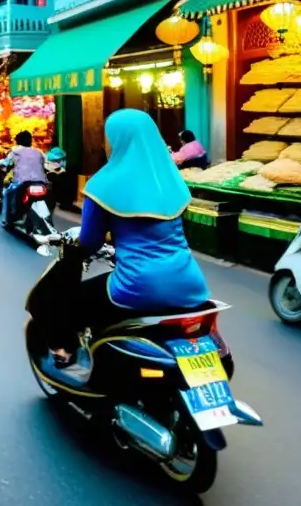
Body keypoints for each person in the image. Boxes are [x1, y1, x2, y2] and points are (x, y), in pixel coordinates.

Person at [28, 109, 210, 373]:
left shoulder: (102, 184)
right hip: (189, 282)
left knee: (63, 299)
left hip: (136, 287)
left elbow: (89, 242)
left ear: (115, 141)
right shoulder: (172, 180)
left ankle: (65, 352)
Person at [1, 131, 48, 227]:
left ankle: (7, 220)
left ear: (17, 141)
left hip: (21, 182)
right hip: (40, 182)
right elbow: (45, 164)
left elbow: (6, 163)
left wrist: (1, 165)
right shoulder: (39, 152)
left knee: (7, 193)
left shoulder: (14, 151)